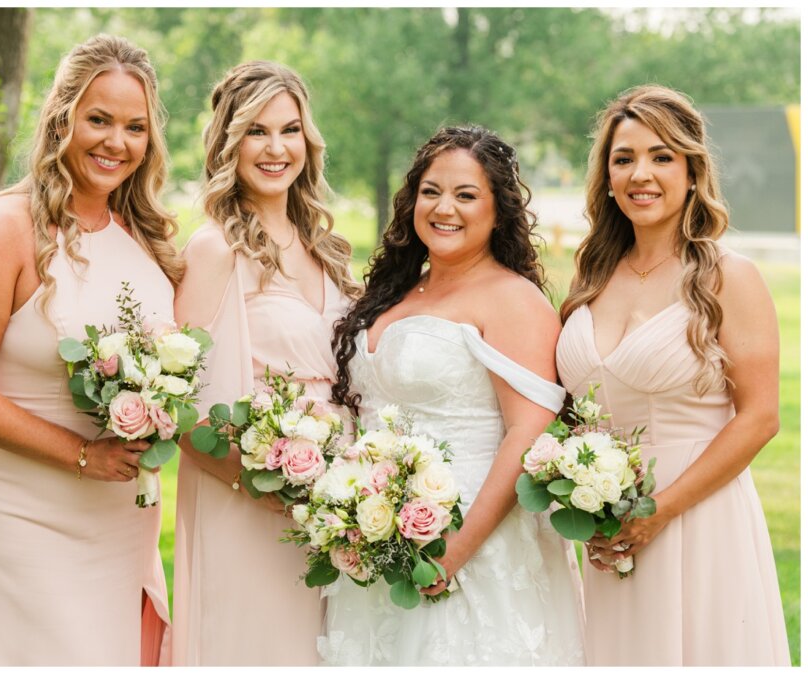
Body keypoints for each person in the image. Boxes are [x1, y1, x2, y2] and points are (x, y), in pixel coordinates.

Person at [0, 35, 181, 666]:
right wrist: (82, 455)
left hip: (118, 509)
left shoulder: (147, 241)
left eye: (134, 127)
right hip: (19, 501)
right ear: (62, 116)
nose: (115, 142)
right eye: (98, 119)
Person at [323, 126, 585, 666]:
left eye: (466, 195)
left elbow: (528, 435)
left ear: (498, 210)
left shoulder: (513, 299)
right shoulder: (397, 290)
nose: (445, 208)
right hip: (376, 541)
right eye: (431, 191)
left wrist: (454, 553)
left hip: (469, 542)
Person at [556, 84, 789, 666]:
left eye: (662, 157)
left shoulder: (729, 276)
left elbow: (760, 418)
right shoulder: (591, 276)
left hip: (700, 517)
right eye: (624, 158)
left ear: (692, 171)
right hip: (608, 523)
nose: (642, 174)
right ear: (606, 177)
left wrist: (658, 511)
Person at [171, 61, 361, 665]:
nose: (277, 148)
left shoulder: (329, 250)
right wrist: (277, 490)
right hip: (250, 502)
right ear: (229, 141)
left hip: (343, 503)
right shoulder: (215, 250)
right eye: (257, 131)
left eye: (291, 129)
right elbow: (184, 415)